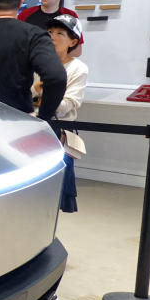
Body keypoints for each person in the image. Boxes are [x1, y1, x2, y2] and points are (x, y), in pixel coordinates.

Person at [32, 14, 87, 213]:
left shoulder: (77, 68)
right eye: (50, 32)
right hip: (32, 128)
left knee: (56, 185)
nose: (53, 37)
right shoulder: (37, 63)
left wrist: (41, 95)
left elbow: (70, 103)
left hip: (59, 130)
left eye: (60, 33)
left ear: (73, 41)